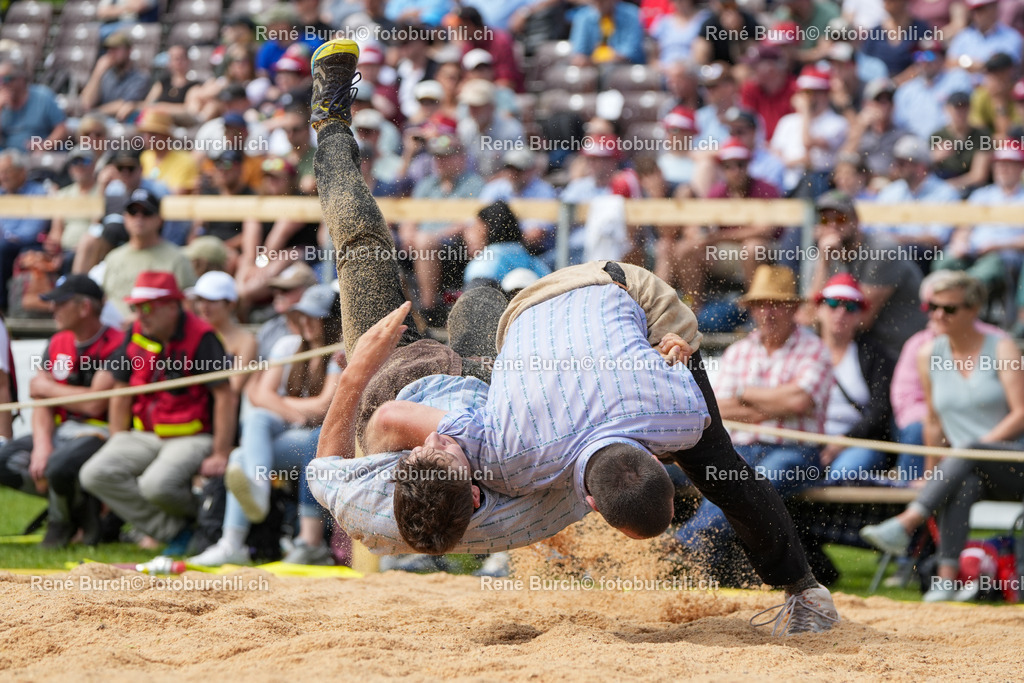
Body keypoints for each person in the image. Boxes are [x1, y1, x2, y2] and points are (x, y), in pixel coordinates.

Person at [304, 39, 839, 635]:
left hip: (411, 372)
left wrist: (358, 371)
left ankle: (331, 124)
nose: (437, 442)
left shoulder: (391, 498)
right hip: (494, 368)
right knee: (716, 465)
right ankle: (803, 589)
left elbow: (378, 428)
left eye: (426, 454)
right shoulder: (523, 459)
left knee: (369, 248)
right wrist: (671, 347)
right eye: (442, 453)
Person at [861, 271, 1024, 602]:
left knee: (967, 454)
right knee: (962, 483)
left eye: (949, 309)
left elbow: (1020, 412)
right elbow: (933, 421)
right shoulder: (927, 354)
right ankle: (947, 581)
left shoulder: (1002, 346)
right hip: (966, 467)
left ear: (973, 309)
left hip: (1012, 463)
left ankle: (908, 521)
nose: (937, 315)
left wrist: (978, 450)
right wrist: (932, 473)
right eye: (932, 307)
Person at [675, 265, 832, 583]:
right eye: (761, 305)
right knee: (733, 482)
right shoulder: (740, 350)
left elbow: (797, 402)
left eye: (776, 304)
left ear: (793, 309)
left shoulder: (815, 349)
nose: (768, 312)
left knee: (746, 485)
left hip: (796, 451)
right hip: (746, 446)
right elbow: (719, 408)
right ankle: (701, 555)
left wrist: (745, 395)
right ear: (752, 310)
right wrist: (772, 404)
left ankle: (687, 546)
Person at [189, 284, 343, 566]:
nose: (307, 323)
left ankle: (236, 542)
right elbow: (258, 394)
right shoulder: (289, 345)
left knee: (241, 456)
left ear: (332, 321)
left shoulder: (337, 352)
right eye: (303, 315)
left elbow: (324, 407)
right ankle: (239, 527)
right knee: (257, 420)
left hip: (318, 439)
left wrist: (282, 404)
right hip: (293, 430)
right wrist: (295, 414)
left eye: (316, 317)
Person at [0, 276, 124, 547]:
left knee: (59, 465)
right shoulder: (57, 342)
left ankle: (60, 523)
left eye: (60, 303)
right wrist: (42, 446)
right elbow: (41, 401)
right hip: (61, 431)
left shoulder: (117, 344)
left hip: (100, 432)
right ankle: (81, 507)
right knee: (4, 459)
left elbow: (95, 404)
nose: (52, 309)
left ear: (85, 308)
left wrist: (48, 388)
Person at [805, 191, 926, 359]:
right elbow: (809, 315)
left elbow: (860, 320)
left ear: (856, 221)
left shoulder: (882, 251)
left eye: (840, 218)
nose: (832, 225)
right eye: (825, 219)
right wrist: (824, 263)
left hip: (899, 350)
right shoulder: (825, 254)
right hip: (863, 348)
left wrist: (821, 315)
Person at [814, 274, 894, 485]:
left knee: (840, 478)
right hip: (807, 442)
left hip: (860, 443)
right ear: (819, 309)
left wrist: (845, 441)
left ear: (859, 316)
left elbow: (880, 411)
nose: (841, 313)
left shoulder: (875, 355)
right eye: (833, 304)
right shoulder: (800, 350)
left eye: (850, 307)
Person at [98, 188, 196, 319]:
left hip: (156, 329)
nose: (139, 218)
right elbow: (105, 298)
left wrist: (139, 320)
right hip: (114, 328)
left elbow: (188, 306)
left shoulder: (177, 258)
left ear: (159, 220)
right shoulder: (113, 257)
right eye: (133, 212)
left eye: (146, 212)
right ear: (125, 217)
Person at [187, 271, 258, 394]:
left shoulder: (247, 341)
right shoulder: (190, 334)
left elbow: (233, 388)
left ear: (231, 304)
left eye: (212, 300)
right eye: (200, 300)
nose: (204, 306)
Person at [462, 201, 550, 288]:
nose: (467, 233)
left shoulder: (483, 265)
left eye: (475, 227)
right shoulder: (536, 264)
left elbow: (477, 295)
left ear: (487, 229)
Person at [0, 59, 68, 152]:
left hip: (39, 154)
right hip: (8, 155)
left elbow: (62, 129)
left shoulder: (43, 97)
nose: (2, 84)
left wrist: (44, 145)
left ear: (21, 79)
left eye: (7, 79)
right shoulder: (1, 104)